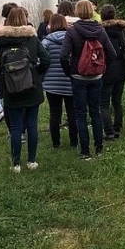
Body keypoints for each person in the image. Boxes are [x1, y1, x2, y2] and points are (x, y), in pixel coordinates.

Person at [0, 7, 50, 173]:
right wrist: (35, 74)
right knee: (32, 124)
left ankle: (16, 164)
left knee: (16, 127)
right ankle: (31, 161)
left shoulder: (2, 40)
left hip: (11, 90)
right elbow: (46, 59)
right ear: (25, 19)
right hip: (32, 87)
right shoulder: (31, 38)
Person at [60, 0, 117, 160]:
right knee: (95, 112)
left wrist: (69, 71)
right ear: (92, 12)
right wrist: (102, 69)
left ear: (77, 12)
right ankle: (99, 148)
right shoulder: (100, 30)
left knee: (80, 114)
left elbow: (63, 56)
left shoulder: (72, 31)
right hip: (96, 77)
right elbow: (112, 54)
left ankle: (85, 152)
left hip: (78, 77)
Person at [42, 14, 78, 148]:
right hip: (70, 80)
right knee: (73, 112)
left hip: (52, 83)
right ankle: (74, 142)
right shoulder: (73, 39)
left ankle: (56, 143)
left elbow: (42, 61)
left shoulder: (46, 41)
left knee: (54, 113)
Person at [99, 4, 125, 141]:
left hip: (107, 69)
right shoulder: (122, 30)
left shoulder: (101, 31)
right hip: (121, 69)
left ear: (102, 15)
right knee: (117, 101)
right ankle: (117, 128)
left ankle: (109, 132)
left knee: (104, 103)